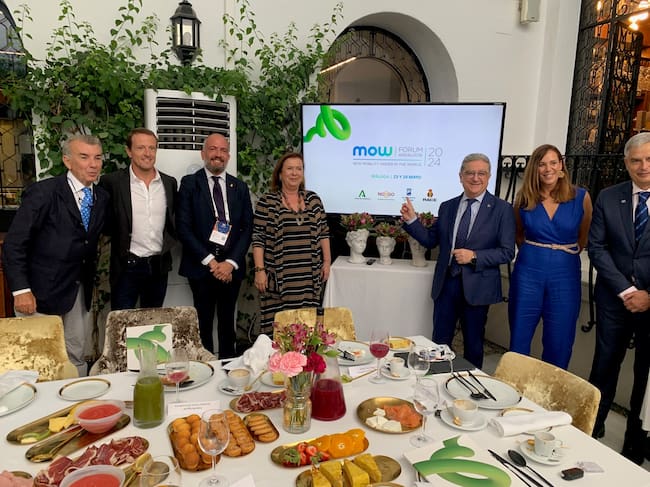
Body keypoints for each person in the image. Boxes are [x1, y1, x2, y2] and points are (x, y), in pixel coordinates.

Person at [2, 134, 109, 376]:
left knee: (75, 354)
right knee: (39, 359)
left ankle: (75, 397)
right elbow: (14, 244)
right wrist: (21, 290)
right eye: (84, 157)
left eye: (97, 158)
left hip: (77, 290)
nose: (93, 164)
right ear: (67, 161)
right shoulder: (44, 192)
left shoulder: (101, 197)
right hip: (39, 292)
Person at [400, 153, 515, 368]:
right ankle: (437, 379)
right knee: (439, 344)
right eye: (470, 173)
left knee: (473, 345)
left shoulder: (502, 209)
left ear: (489, 177)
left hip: (478, 288)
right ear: (460, 176)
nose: (475, 178)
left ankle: (470, 384)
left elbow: (507, 252)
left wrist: (475, 256)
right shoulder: (447, 207)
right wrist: (412, 221)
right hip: (446, 285)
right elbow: (431, 240)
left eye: (481, 173)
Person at [588, 132, 650, 465]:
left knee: (645, 375)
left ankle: (635, 444)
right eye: (636, 160)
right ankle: (591, 428)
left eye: (649, 159)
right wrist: (627, 291)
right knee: (604, 365)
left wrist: (648, 296)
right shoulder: (609, 197)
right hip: (615, 299)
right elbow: (597, 247)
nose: (643, 166)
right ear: (626, 163)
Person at [508, 144, 592, 369]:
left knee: (560, 340)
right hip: (528, 273)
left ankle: (552, 388)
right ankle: (514, 385)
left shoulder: (580, 197)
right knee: (519, 335)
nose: (548, 169)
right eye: (542, 164)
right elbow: (518, 234)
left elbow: (583, 237)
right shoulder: (524, 198)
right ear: (534, 168)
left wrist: (557, 253)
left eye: (553, 162)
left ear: (561, 165)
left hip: (565, 275)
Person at [176, 133, 253, 358]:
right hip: (201, 267)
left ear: (228, 155)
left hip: (231, 268)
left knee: (228, 323)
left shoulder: (239, 187)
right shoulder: (190, 184)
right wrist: (211, 262)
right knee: (203, 322)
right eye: (212, 149)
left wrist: (230, 263)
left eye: (223, 150)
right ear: (203, 153)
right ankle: (207, 368)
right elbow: (183, 227)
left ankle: (228, 368)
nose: (218, 154)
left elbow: (247, 227)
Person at [252, 152, 331, 335]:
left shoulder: (314, 200)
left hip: (309, 279)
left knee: (306, 331)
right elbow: (258, 238)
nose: (294, 173)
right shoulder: (267, 202)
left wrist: (327, 262)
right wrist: (259, 270)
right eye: (289, 169)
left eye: (299, 169)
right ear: (280, 174)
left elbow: (324, 232)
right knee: (278, 333)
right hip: (279, 280)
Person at [99, 128, 177, 310]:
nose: (147, 153)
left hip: (158, 266)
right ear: (129, 151)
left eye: (152, 148)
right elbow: (106, 223)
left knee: (153, 321)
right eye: (141, 148)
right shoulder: (112, 182)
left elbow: (173, 220)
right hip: (126, 266)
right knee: (122, 321)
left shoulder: (169, 183)